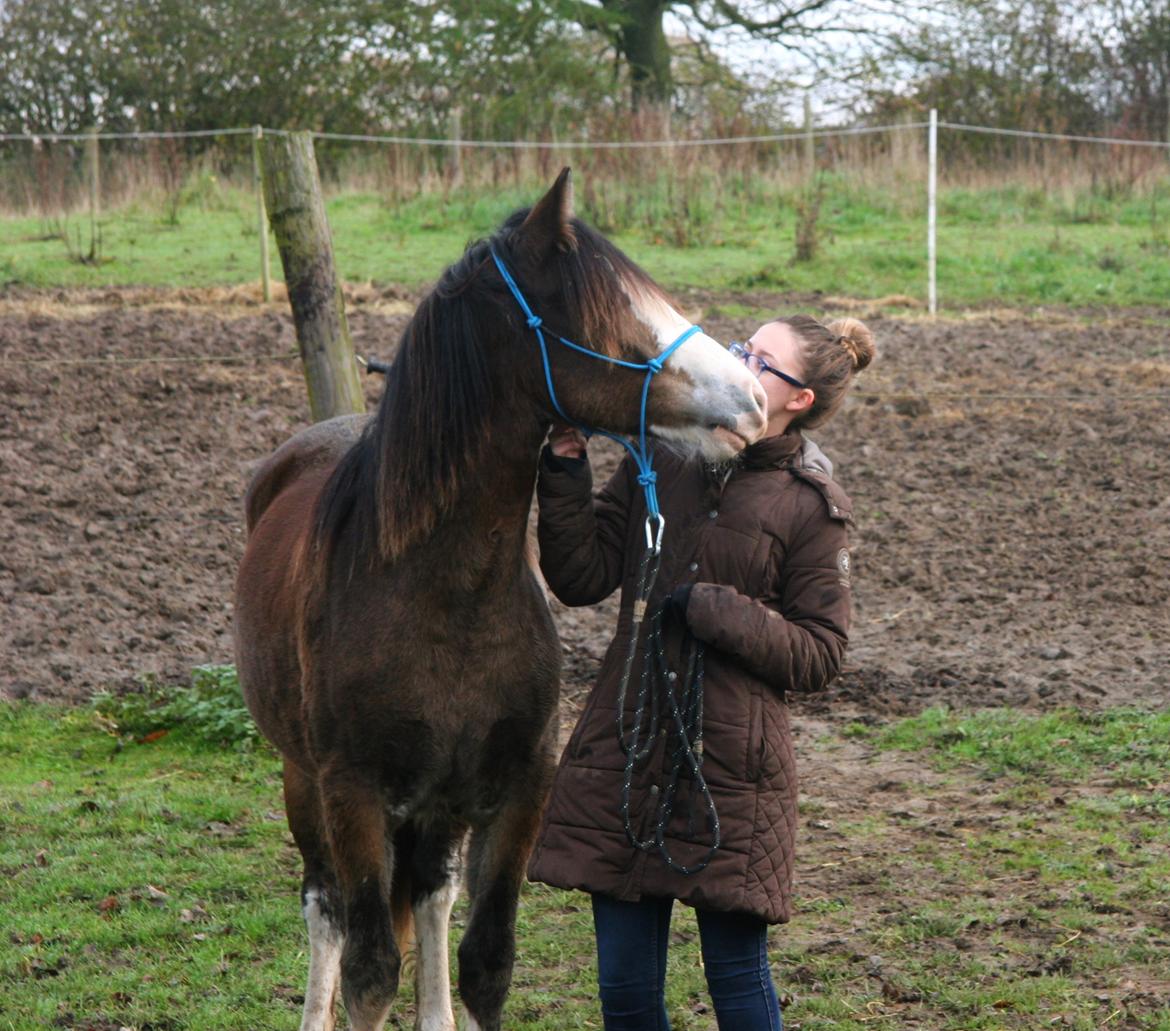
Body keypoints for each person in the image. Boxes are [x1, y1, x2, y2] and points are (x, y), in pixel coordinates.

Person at [527, 314, 876, 1031]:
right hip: (629, 746)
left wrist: (716, 608)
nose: (739, 359)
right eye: (740, 346)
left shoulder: (811, 505)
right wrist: (564, 470)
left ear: (798, 398)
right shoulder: (669, 453)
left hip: (733, 773)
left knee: (737, 982)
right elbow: (583, 573)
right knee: (624, 990)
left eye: (761, 358)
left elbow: (820, 651)